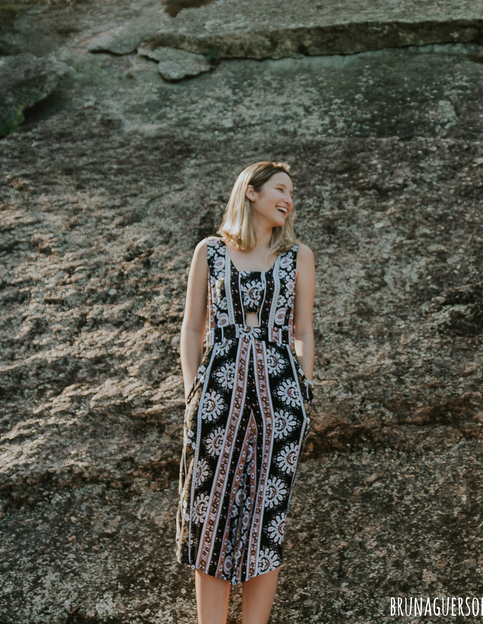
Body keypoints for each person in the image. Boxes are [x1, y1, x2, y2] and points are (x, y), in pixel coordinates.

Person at [176, 161, 315, 624]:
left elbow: (304, 331)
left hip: (281, 398)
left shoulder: (299, 256)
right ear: (251, 193)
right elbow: (193, 327)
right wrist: (194, 394)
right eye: (280, 188)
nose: (288, 199)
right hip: (217, 394)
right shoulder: (210, 251)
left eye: (291, 193)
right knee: (209, 516)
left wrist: (303, 392)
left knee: (266, 520)